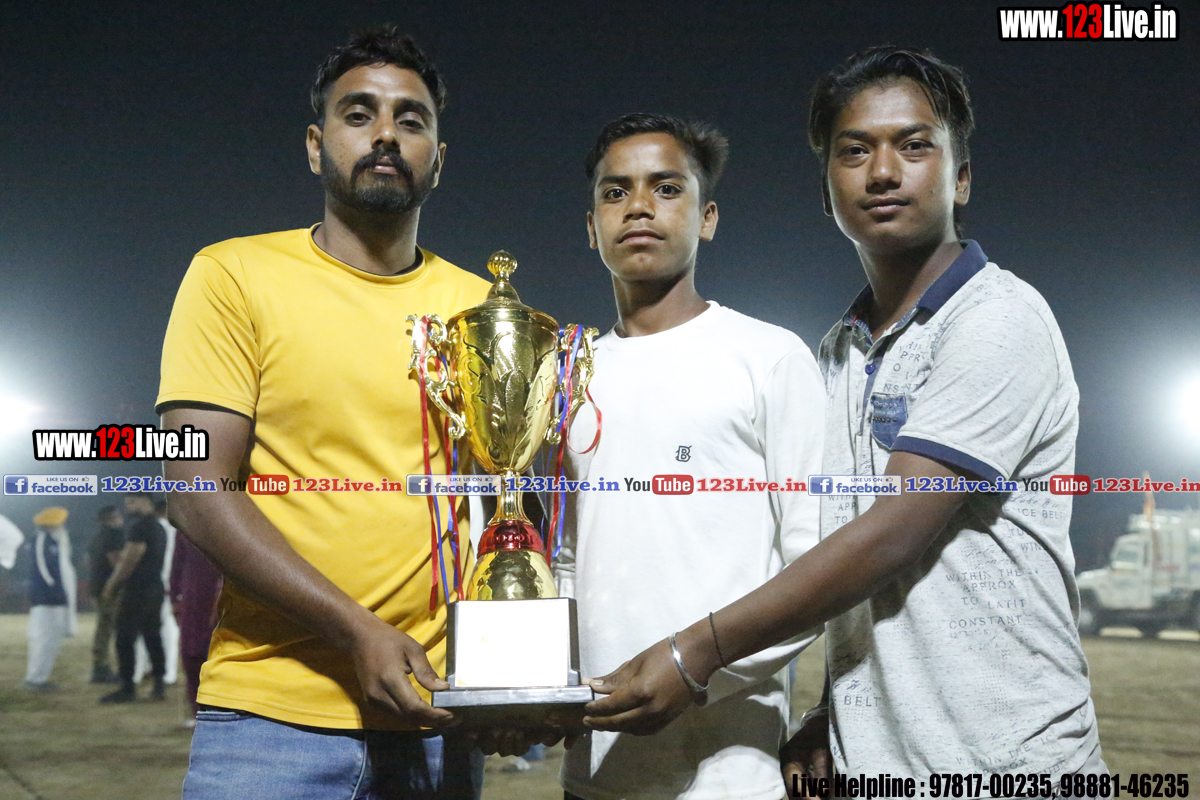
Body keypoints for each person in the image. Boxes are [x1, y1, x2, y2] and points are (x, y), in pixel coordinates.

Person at [582, 47, 1107, 785]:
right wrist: (830, 711)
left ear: (960, 177)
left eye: (914, 146)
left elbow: (891, 534)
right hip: (878, 768)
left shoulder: (995, 319)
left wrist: (693, 653)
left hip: (1008, 762)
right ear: (827, 191)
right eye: (854, 151)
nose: (883, 172)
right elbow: (856, 575)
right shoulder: (843, 351)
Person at [156, 26, 490, 799]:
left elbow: (507, 510)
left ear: (438, 159)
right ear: (316, 146)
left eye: (411, 119)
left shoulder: (482, 309)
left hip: (435, 715)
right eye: (359, 114)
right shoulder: (233, 274)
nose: (385, 134)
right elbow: (197, 491)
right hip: (268, 717)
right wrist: (358, 631)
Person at [552, 113, 824, 800]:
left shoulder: (769, 358)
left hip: (729, 772)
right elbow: (564, 560)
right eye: (615, 192)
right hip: (593, 773)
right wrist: (538, 683)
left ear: (707, 218)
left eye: (666, 188)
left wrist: (694, 670)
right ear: (591, 228)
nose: (638, 206)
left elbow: (815, 567)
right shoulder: (567, 377)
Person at [100, 492, 168, 703]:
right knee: (153, 637)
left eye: (132, 502)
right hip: (155, 587)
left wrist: (111, 586)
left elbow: (129, 560)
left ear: (145, 501)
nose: (128, 507)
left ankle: (127, 688)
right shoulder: (159, 527)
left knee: (124, 638)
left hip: (138, 590)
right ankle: (159, 685)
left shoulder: (140, 527)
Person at [169, 523, 223, 726]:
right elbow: (177, 563)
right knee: (191, 654)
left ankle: (219, 711)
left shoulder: (226, 521)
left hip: (220, 598)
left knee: (215, 655)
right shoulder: (185, 524)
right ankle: (197, 711)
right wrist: (174, 597)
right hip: (192, 599)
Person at [25, 507, 77, 690]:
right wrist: (53, 589)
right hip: (46, 598)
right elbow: (42, 569)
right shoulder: (41, 540)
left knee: (51, 639)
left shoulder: (54, 541)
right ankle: (35, 679)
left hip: (55, 598)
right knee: (43, 638)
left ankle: (41, 677)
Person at [134, 499, 180, 686]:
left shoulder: (150, 529)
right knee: (169, 631)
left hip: (148, 586)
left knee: (144, 630)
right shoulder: (176, 531)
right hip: (169, 587)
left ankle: (141, 670)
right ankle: (168, 673)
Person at [88, 505, 125, 683]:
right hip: (111, 589)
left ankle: (99, 666)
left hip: (97, 587)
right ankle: (103, 668)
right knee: (111, 628)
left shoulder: (96, 537)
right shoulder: (114, 535)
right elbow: (116, 562)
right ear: (112, 518)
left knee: (103, 627)